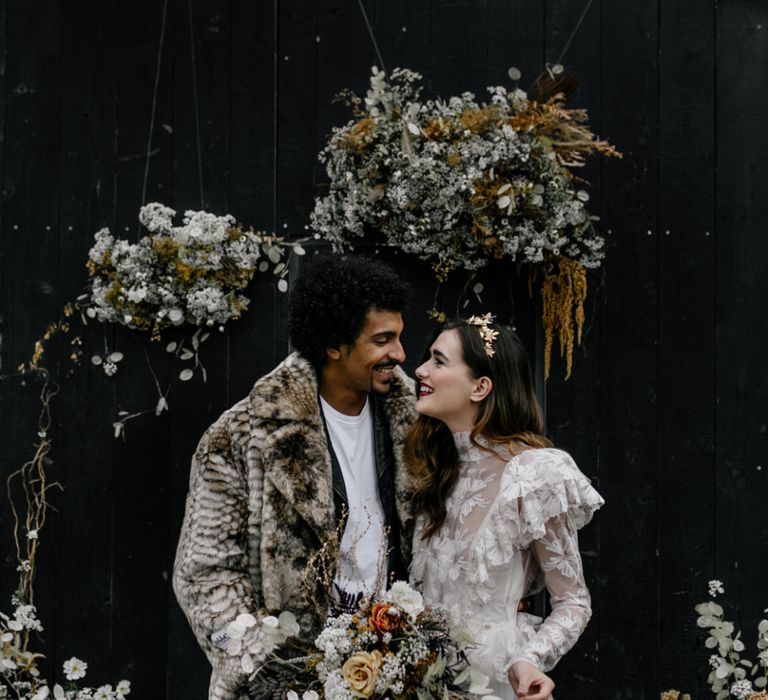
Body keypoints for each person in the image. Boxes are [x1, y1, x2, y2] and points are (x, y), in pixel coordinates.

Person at [173, 255, 416, 700]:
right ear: (333, 344)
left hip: (399, 673)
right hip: (292, 684)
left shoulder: (418, 421)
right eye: (383, 340)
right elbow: (203, 573)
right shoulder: (242, 434)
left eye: (399, 338)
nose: (399, 355)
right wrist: (264, 665)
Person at [406, 315, 604, 700]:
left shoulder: (534, 475)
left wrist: (531, 658)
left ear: (481, 387)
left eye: (438, 361)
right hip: (425, 684)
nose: (420, 370)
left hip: (496, 683)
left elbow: (573, 601)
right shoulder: (434, 471)